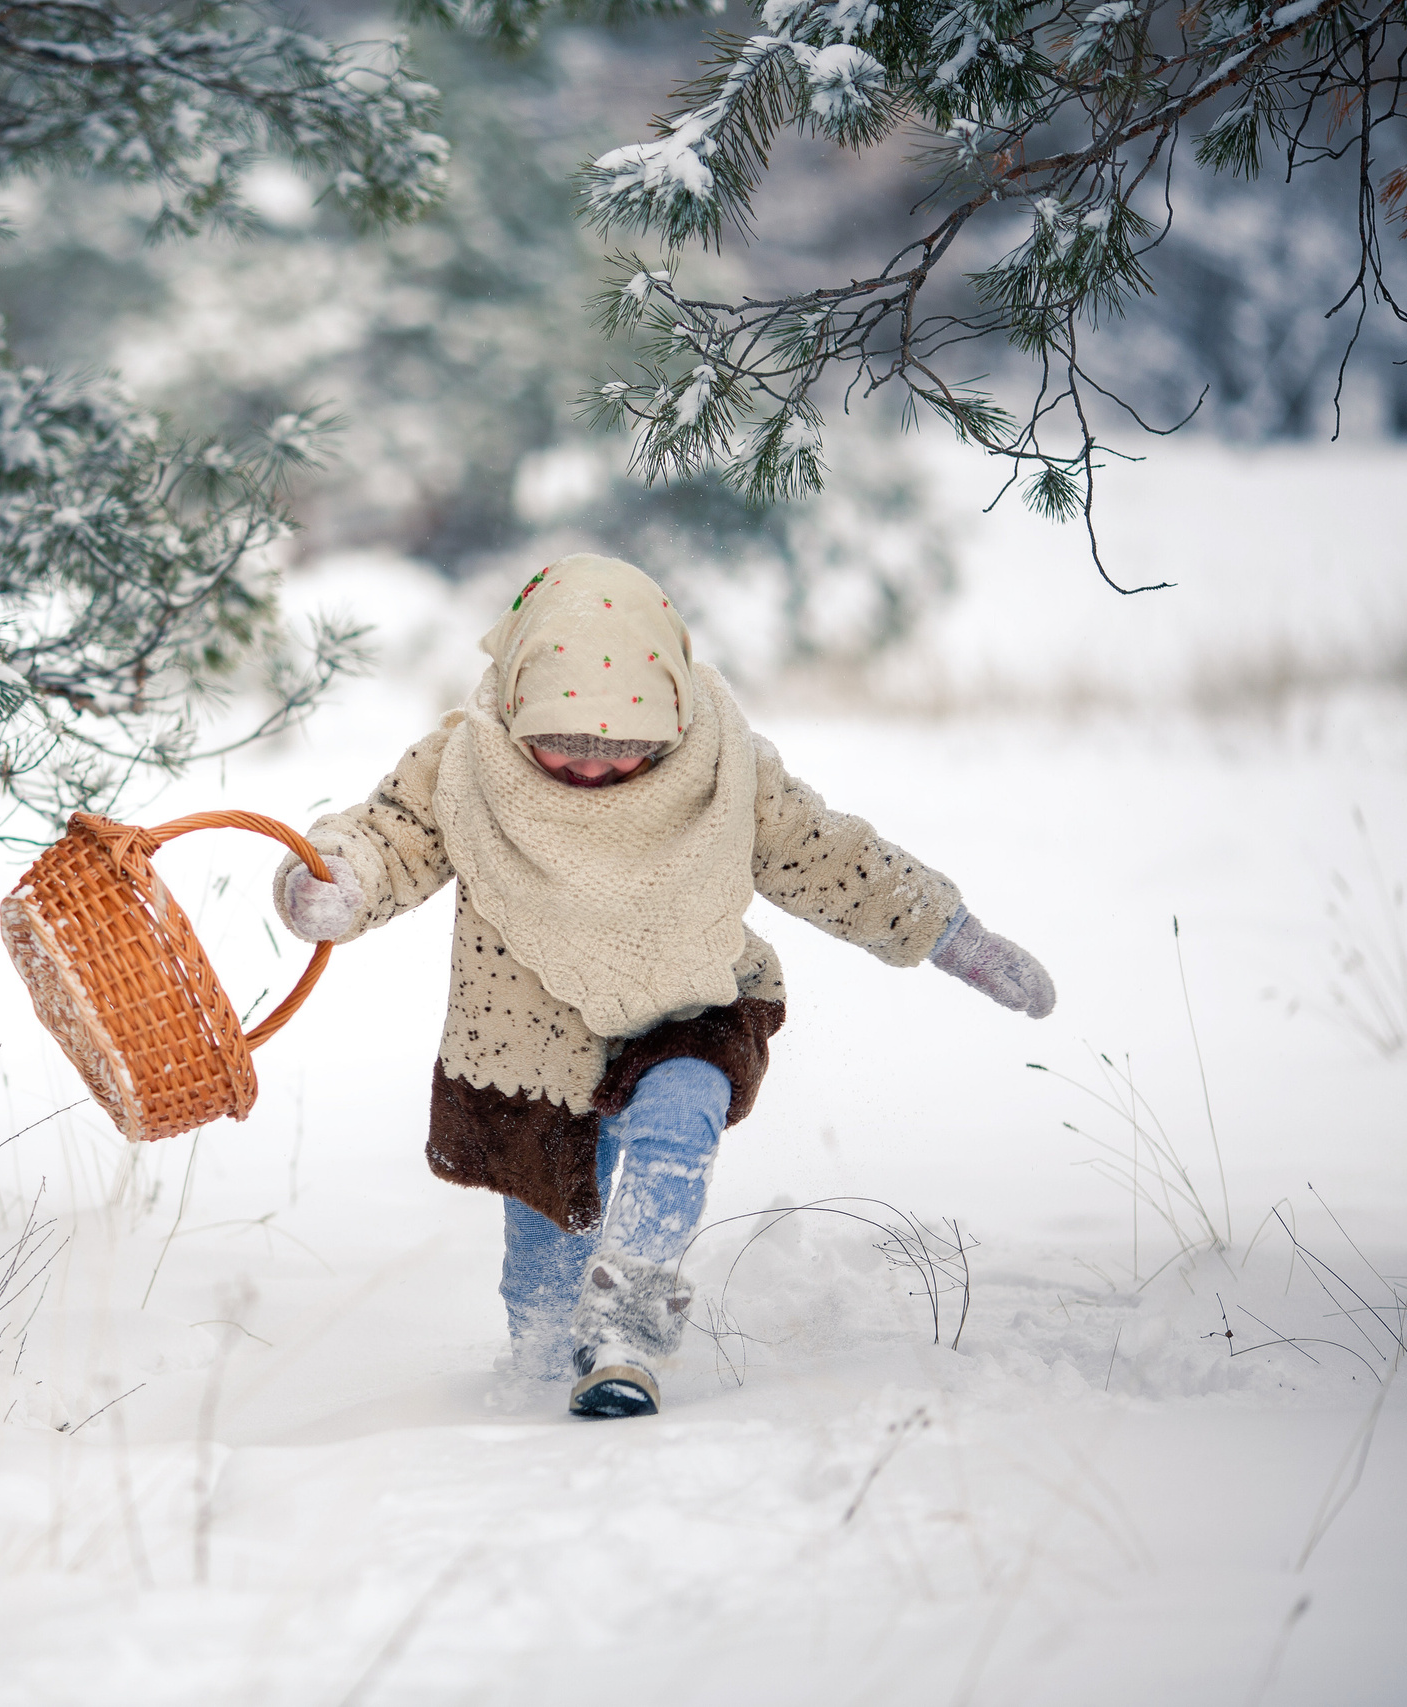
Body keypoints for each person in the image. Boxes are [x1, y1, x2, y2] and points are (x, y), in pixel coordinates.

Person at [272, 555, 1054, 1418]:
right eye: (561, 751)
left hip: (691, 1004)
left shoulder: (724, 771)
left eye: (623, 755)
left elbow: (829, 856)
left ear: (672, 720)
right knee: (544, 1255)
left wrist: (946, 930)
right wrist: (333, 882)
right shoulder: (463, 766)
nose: (592, 772)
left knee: (681, 1116)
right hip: (532, 1041)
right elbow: (389, 836)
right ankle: (538, 1374)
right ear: (516, 707)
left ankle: (626, 1328)